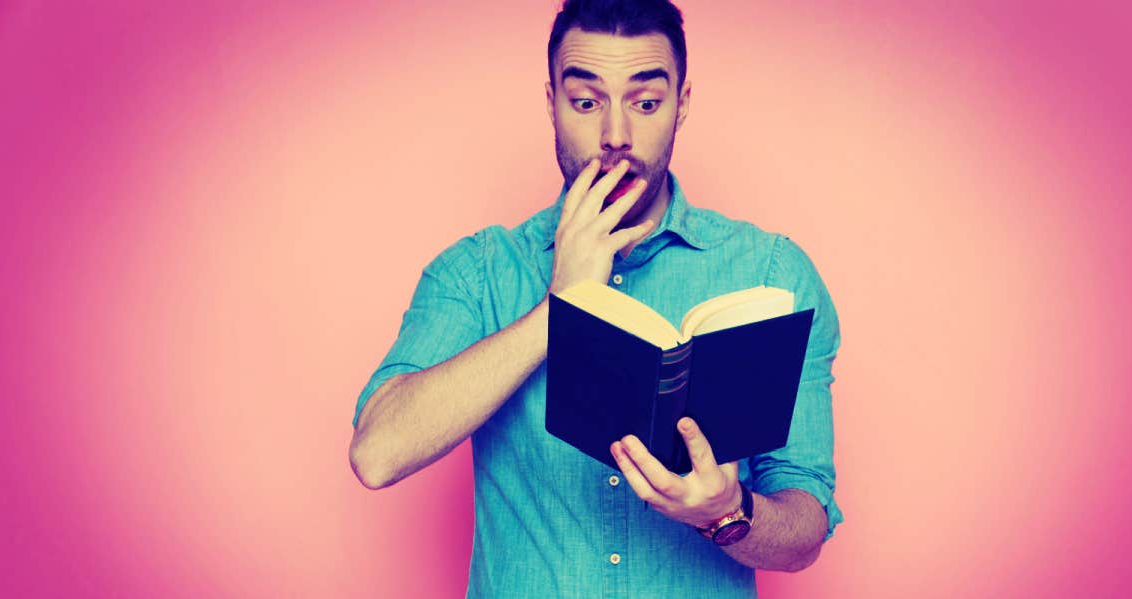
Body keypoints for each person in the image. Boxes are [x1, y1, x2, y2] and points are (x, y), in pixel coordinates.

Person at [348, 0, 842, 596]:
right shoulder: (477, 273)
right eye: (586, 102)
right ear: (551, 102)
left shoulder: (773, 273)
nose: (616, 137)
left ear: (681, 104)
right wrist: (561, 304)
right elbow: (377, 454)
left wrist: (725, 511)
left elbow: (805, 532)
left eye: (646, 102)